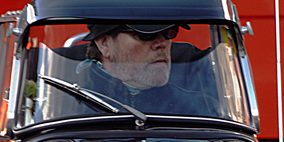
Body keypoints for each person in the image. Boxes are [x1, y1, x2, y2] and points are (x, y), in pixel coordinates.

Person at [78, 21, 218, 116]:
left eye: (169, 32)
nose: (162, 43)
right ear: (104, 44)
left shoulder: (202, 108)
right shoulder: (67, 108)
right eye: (145, 34)